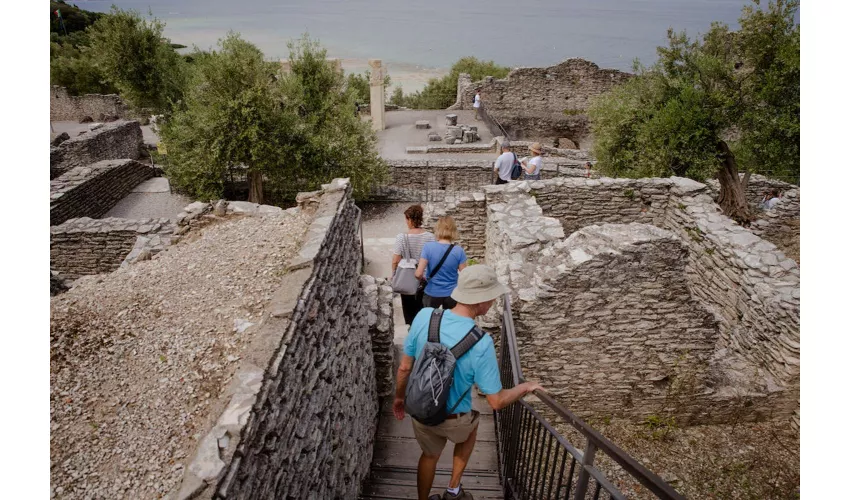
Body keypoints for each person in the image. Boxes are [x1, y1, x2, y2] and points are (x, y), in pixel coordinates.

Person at [394, 265, 544, 500]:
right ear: (481, 302)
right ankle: (453, 489)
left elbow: (404, 367)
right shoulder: (481, 342)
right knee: (472, 425)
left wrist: (399, 398)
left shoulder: (425, 316)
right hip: (454, 418)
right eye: (492, 297)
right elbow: (496, 401)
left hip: (420, 408)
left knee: (429, 455)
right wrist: (525, 387)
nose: (493, 301)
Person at [392, 205, 436, 325]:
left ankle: (412, 330)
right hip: (425, 278)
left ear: (410, 219)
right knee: (424, 309)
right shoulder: (430, 237)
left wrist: (394, 274)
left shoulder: (401, 237)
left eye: (406, 219)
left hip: (407, 278)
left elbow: (395, 260)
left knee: (410, 310)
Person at [416, 217, 467, 310]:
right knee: (450, 321)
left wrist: (423, 279)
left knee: (429, 319)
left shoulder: (428, 247)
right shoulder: (459, 251)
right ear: (453, 230)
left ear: (437, 229)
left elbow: (418, 273)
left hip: (432, 291)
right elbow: (465, 274)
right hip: (452, 293)